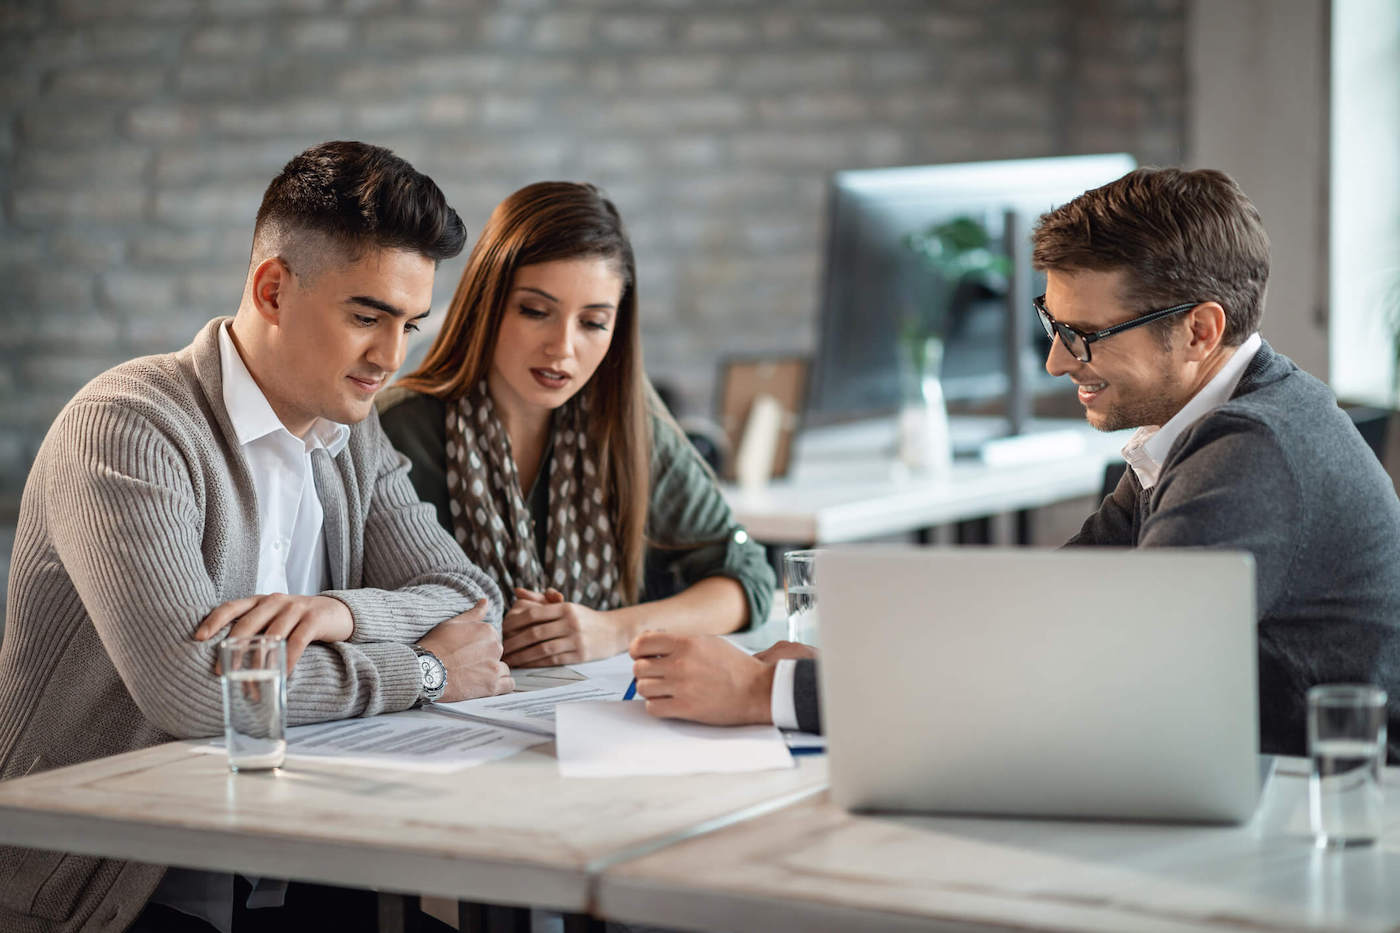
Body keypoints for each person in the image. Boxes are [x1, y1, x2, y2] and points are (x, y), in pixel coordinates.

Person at [634, 167, 1400, 762]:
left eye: (1084, 333)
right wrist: (852, 657)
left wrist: (771, 692)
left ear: (1200, 330)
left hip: (1316, 822)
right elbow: (1047, 610)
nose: (1057, 359)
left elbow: (1082, 680)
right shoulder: (1204, 426)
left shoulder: (1252, 452)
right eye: (1051, 323)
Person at [0, 141, 514, 933]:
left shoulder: (354, 434)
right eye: (367, 316)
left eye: (410, 323)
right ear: (272, 289)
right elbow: (196, 689)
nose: (391, 356)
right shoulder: (128, 427)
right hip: (116, 888)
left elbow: (475, 602)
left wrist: (342, 614)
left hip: (298, 861)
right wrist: (422, 669)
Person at [378, 181, 774, 668]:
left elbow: (747, 579)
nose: (562, 348)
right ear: (487, 304)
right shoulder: (401, 429)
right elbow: (382, 615)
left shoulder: (624, 420)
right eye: (535, 311)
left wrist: (614, 629)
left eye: (592, 322)